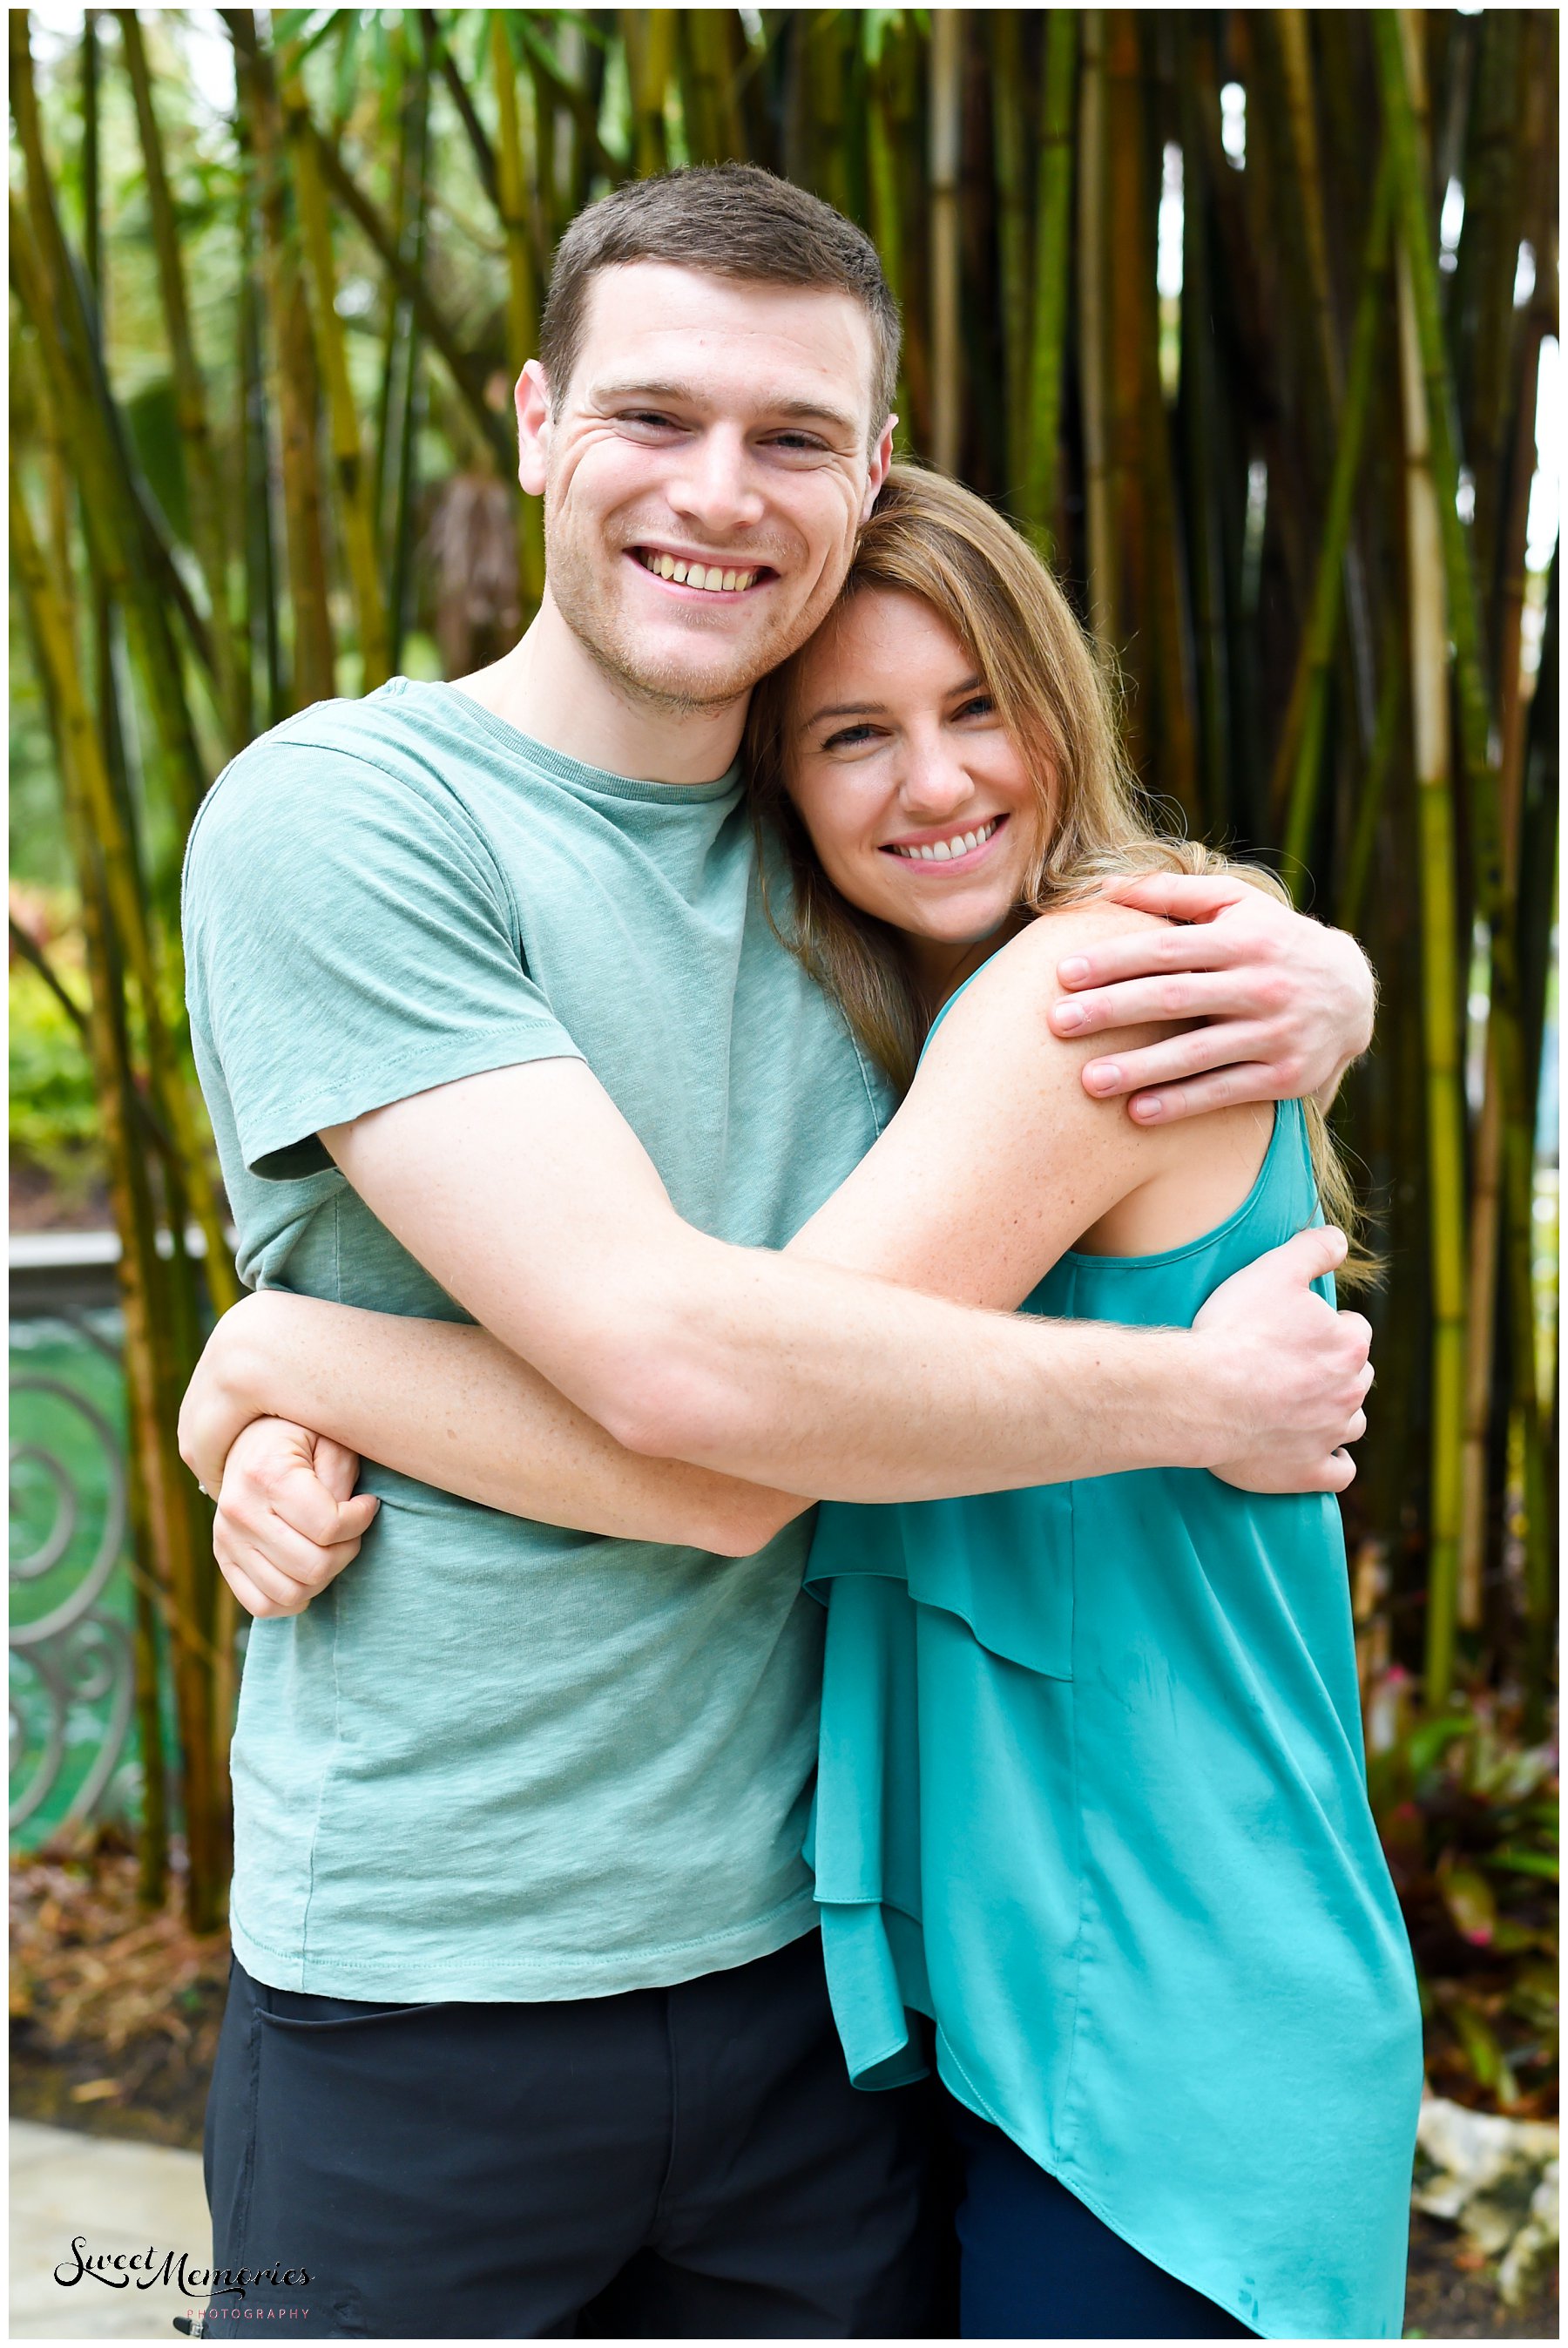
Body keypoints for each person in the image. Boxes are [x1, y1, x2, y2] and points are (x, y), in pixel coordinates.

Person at [180, 167, 1378, 2339]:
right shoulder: (355, 815)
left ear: (874, 468)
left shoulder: (879, 877)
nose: (718, 493)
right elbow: (686, 1371)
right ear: (535, 420)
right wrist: (252, 1369)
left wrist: (293, 1352)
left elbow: (742, 1421)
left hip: (831, 2003)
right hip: (429, 1999)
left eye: (795, 435)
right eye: (653, 416)